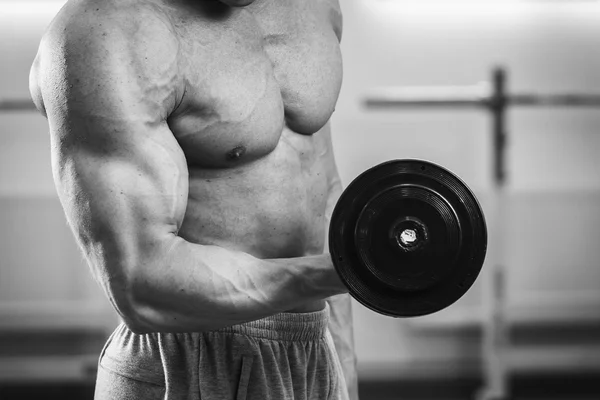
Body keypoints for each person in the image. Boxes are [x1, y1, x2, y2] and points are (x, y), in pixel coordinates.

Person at [29, 0, 357, 398]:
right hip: (186, 360)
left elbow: (324, 199)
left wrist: (341, 371)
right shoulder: (106, 30)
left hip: (314, 354)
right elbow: (142, 283)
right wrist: (350, 273)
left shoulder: (316, 7)